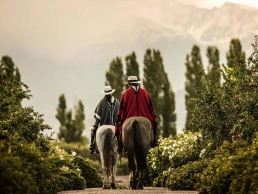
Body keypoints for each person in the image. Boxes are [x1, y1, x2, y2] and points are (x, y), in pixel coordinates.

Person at [115, 76, 159, 154]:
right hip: (145, 115)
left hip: (129, 116)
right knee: (153, 124)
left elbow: (122, 108)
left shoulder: (126, 93)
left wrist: (120, 118)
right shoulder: (144, 92)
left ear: (129, 84)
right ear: (137, 83)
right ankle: (154, 141)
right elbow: (150, 106)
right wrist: (153, 117)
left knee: (120, 127)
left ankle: (120, 146)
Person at [89, 85, 120, 155]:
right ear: (111, 93)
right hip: (115, 125)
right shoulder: (117, 102)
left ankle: (93, 147)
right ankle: (122, 147)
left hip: (103, 125)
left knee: (93, 131)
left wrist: (96, 125)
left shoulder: (102, 102)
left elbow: (97, 116)